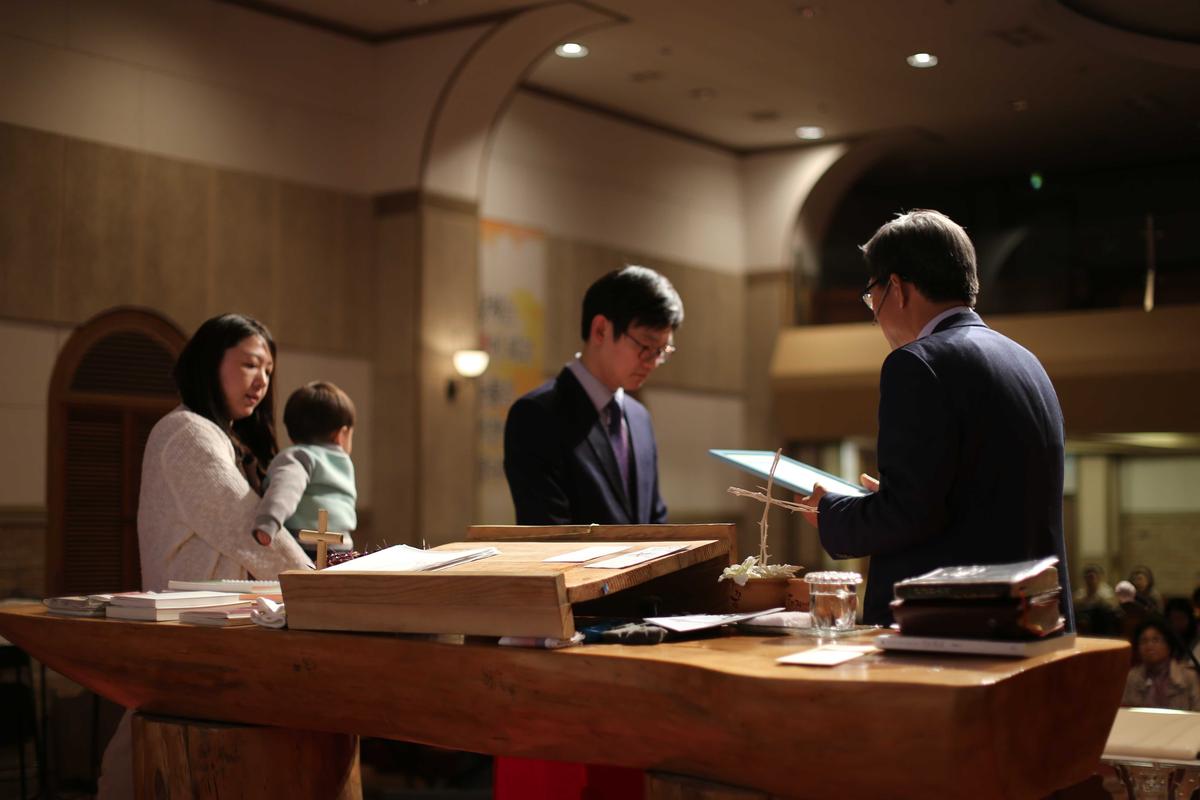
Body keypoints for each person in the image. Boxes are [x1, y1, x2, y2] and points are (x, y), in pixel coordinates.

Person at [799, 210, 1072, 627]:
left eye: (872, 296)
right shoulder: (1024, 360)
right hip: (1032, 617)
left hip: (959, 625)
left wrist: (831, 512)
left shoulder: (916, 363)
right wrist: (898, 493)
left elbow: (909, 515)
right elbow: (981, 496)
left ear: (896, 288)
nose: (875, 315)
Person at [98, 314, 312, 800]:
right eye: (250, 364)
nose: (262, 380)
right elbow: (247, 531)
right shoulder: (187, 432)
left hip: (215, 635)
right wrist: (317, 585)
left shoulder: (221, 435)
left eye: (269, 370)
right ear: (211, 362)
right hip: (195, 634)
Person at [504, 265, 683, 525]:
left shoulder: (639, 417)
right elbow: (548, 533)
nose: (653, 362)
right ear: (600, 330)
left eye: (662, 351)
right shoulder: (537, 415)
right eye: (646, 345)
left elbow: (656, 520)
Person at [255, 381, 357, 556]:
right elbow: (287, 487)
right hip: (341, 547)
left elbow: (285, 488)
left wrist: (268, 522)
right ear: (342, 435)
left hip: (306, 544)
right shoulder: (338, 461)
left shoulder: (298, 456)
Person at [1121, 619, 1200, 711]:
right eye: (1144, 641)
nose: (1149, 646)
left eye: (1156, 640)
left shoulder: (1188, 677)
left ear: (1168, 645)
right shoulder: (1132, 677)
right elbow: (1124, 712)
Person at [1075, 564, 1120, 635]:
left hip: (1102, 627)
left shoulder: (1107, 592)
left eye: (1092, 577)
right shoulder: (1080, 594)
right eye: (1088, 577)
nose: (1090, 581)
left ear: (1099, 578)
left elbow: (1113, 607)